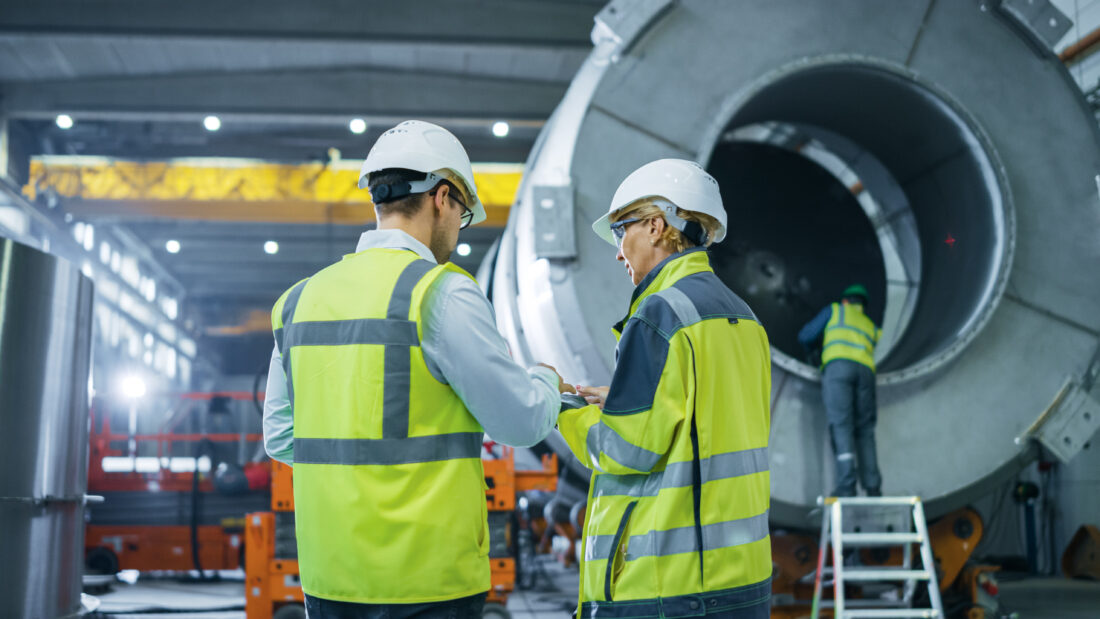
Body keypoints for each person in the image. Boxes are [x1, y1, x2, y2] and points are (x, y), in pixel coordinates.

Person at [262, 120, 573, 617]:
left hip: (331, 582)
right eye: (463, 214)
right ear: (443, 197)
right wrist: (547, 382)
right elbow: (519, 421)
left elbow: (280, 438)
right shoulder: (440, 293)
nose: (457, 229)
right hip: (430, 586)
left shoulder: (299, 301)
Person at [560, 159, 772, 618]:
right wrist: (618, 398)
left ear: (656, 226)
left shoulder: (660, 314)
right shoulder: (744, 318)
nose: (619, 252)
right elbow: (700, 419)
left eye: (622, 231)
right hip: (744, 578)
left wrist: (565, 409)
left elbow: (623, 450)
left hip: (668, 587)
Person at [797, 284, 882, 497]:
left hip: (838, 369)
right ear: (862, 305)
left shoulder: (835, 310)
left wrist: (814, 354)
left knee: (841, 425)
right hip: (866, 373)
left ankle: (847, 486)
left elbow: (806, 336)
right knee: (865, 430)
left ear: (846, 301)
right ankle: (873, 487)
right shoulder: (870, 325)